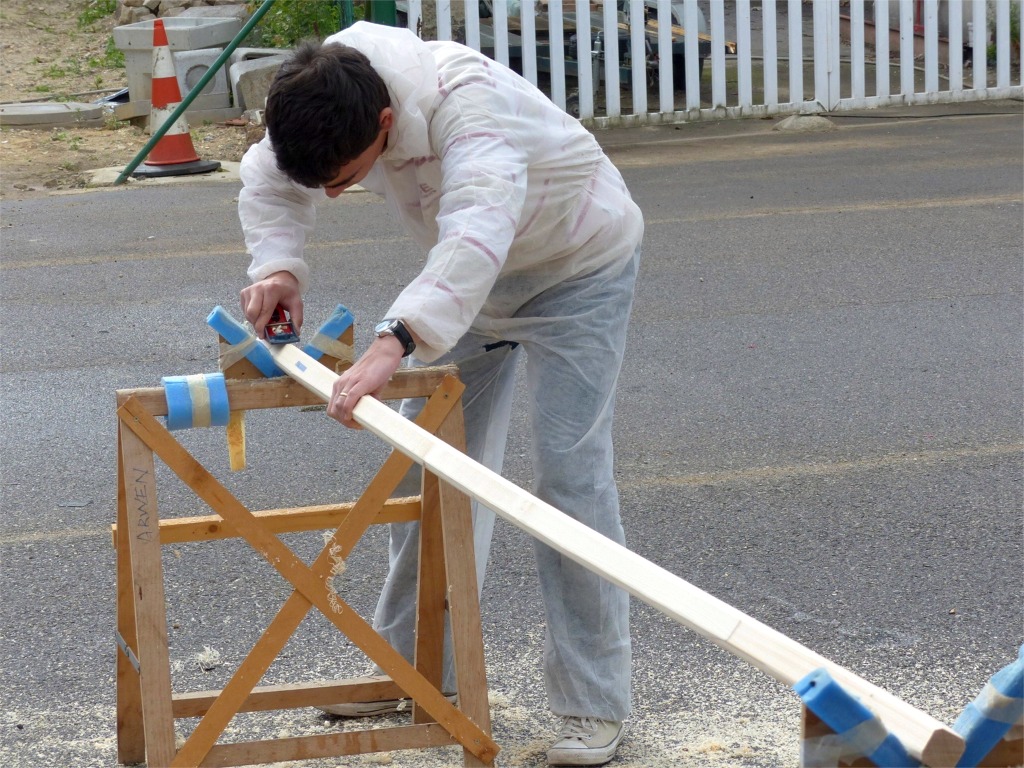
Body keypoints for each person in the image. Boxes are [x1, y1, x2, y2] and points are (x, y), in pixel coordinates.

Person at [237, 20, 643, 767]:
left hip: (578, 267)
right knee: (428, 466)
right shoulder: (320, 88)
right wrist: (280, 268)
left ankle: (593, 705)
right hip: (468, 291)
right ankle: (415, 672)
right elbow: (269, 179)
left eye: (344, 177)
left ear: (386, 124)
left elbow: (479, 226)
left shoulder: (467, 100)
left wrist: (397, 338)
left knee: (571, 479)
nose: (333, 192)